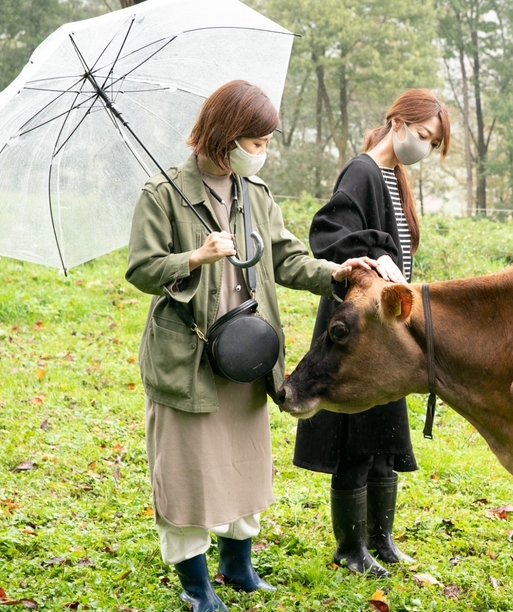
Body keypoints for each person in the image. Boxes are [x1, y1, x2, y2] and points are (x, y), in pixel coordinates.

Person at [125, 80, 377, 612]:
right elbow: (142, 268)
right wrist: (194, 257)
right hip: (189, 361)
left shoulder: (254, 194)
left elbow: (285, 260)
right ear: (225, 135)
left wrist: (338, 270)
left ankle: (238, 567)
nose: (260, 152)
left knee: (245, 463)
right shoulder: (162, 195)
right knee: (187, 475)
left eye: (264, 141)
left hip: (249, 354)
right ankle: (197, 587)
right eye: (255, 141)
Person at [292, 89, 451, 578]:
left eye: (432, 142)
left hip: (387, 326)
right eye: (423, 136)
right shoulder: (362, 171)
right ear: (397, 123)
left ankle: (382, 540)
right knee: (355, 438)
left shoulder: (394, 176)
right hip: (359, 328)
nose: (423, 148)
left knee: (382, 434)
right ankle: (350, 546)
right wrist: (371, 254)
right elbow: (328, 235)